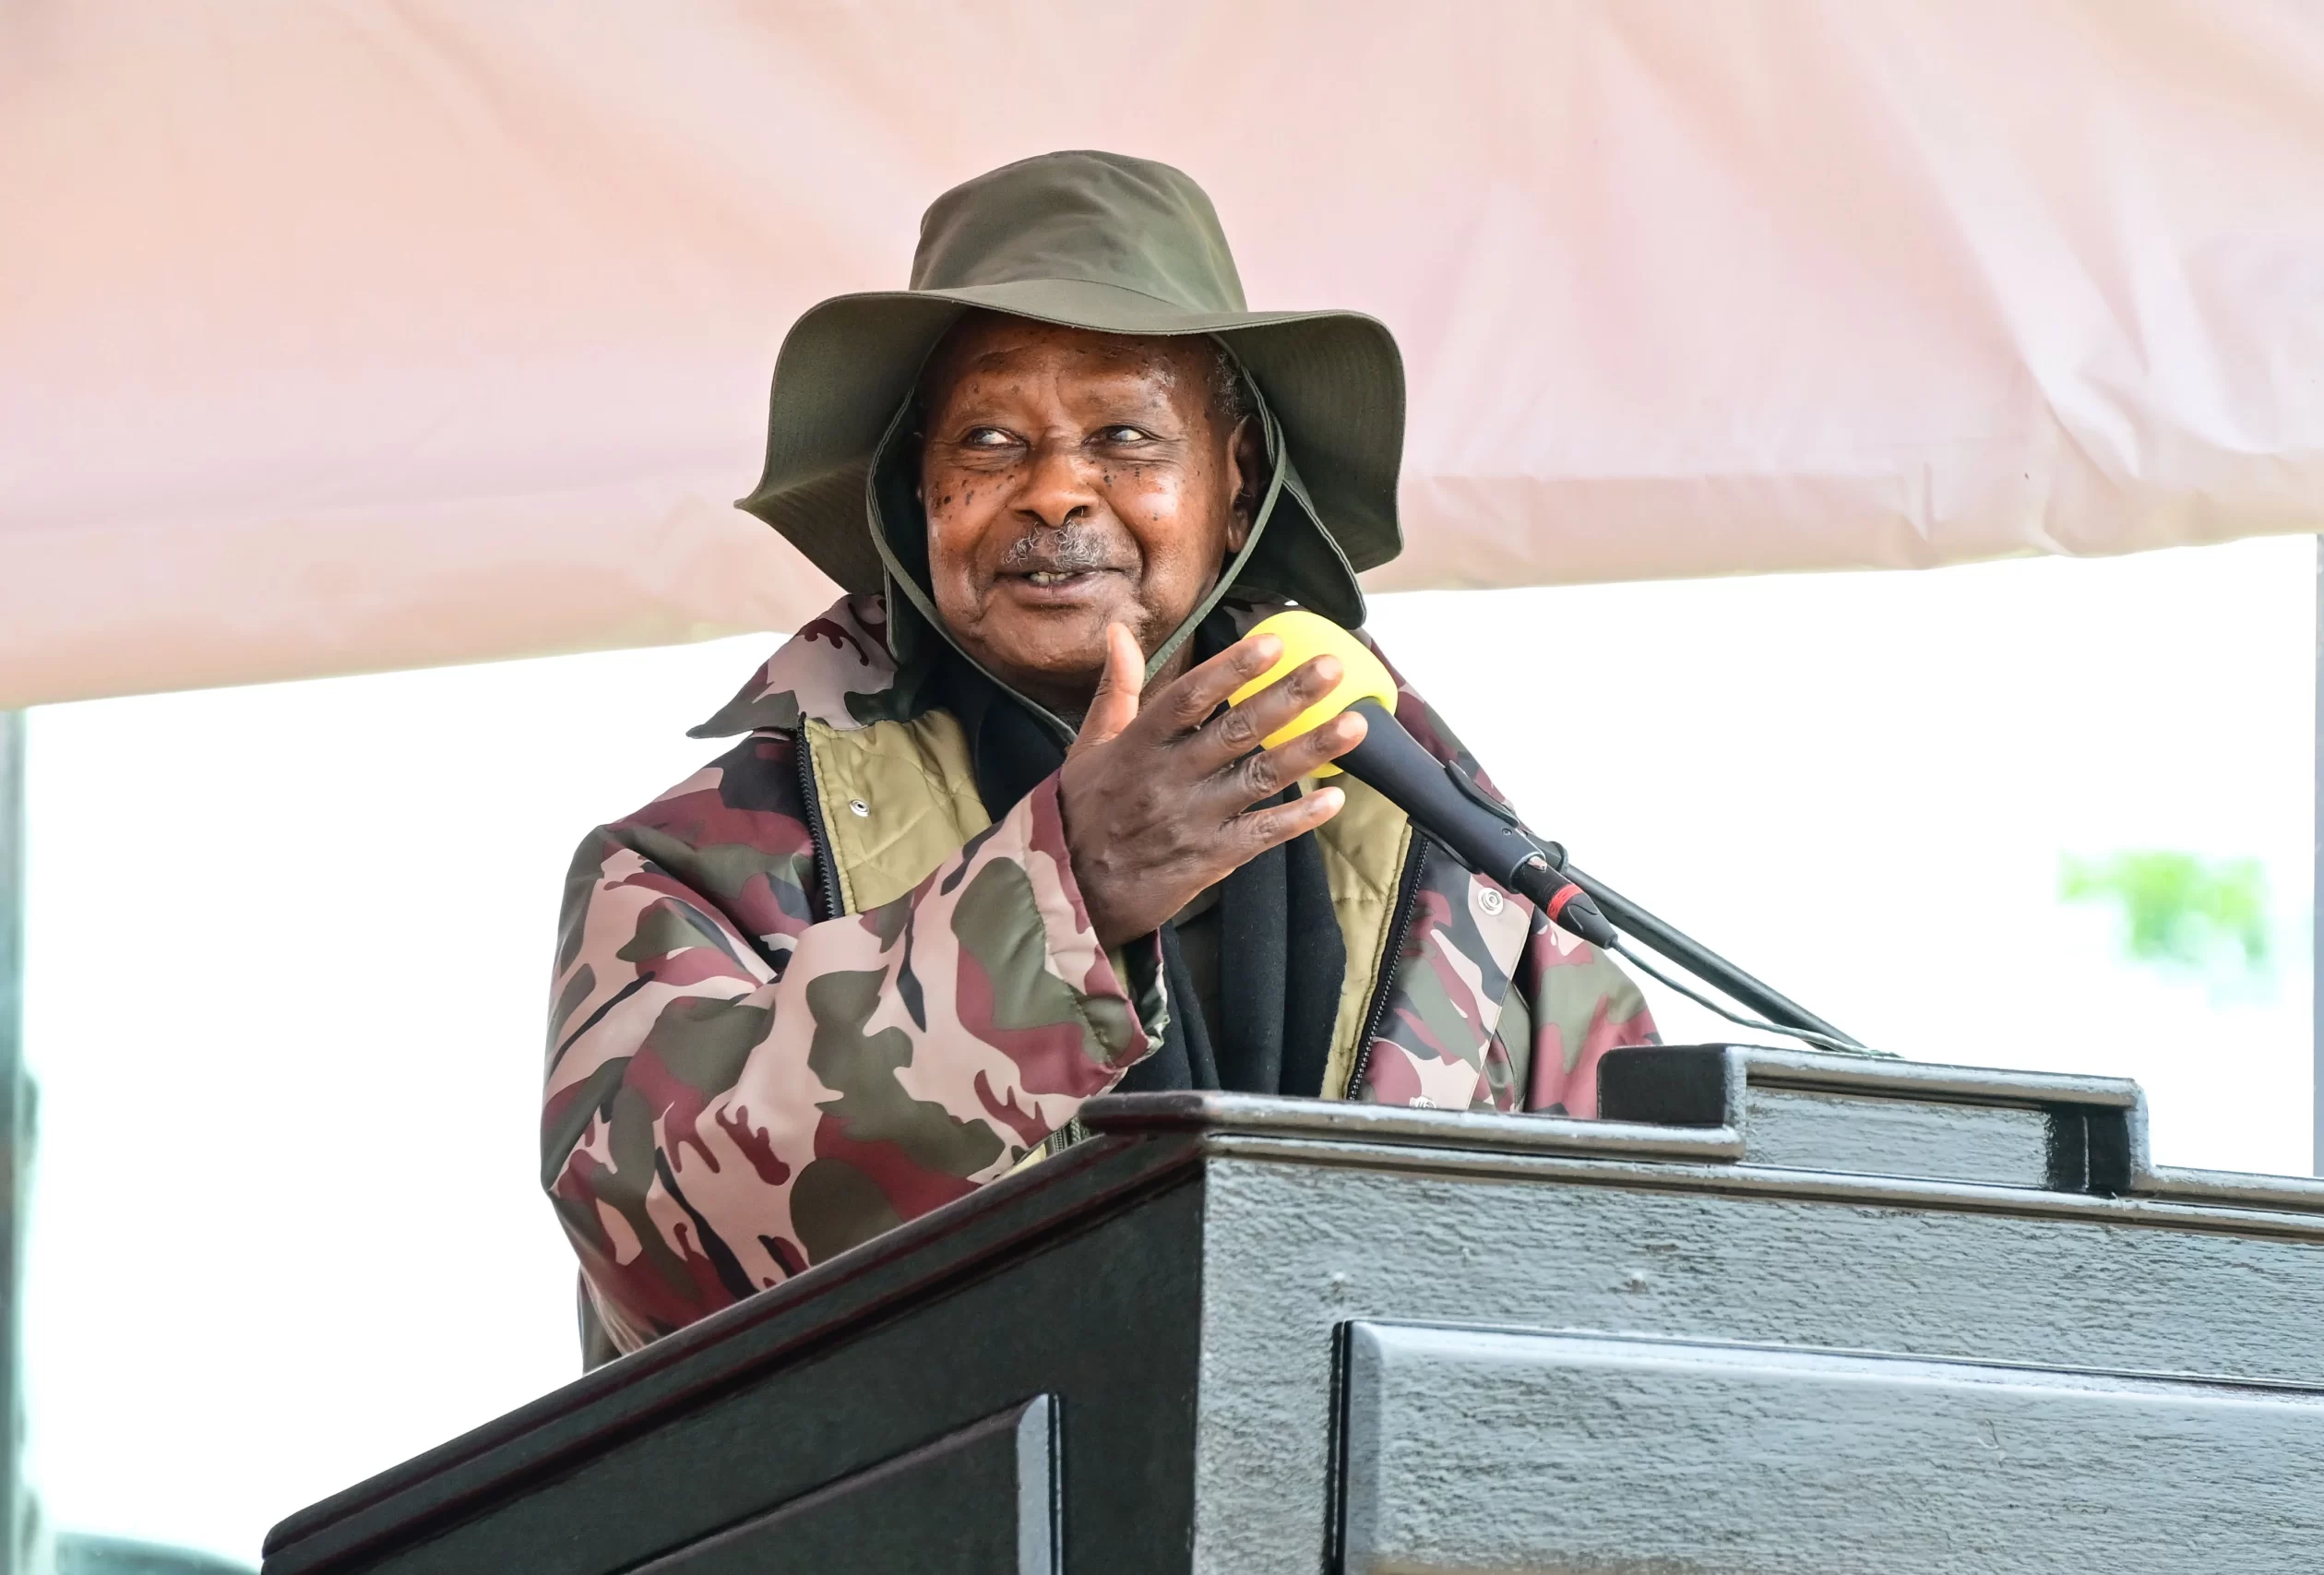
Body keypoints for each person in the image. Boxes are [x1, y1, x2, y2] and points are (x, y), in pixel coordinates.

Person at [543, 151, 1658, 1363]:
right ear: (919, 488)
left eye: (1124, 433)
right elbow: (647, 1234)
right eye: (989, 439)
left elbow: (1652, 1299)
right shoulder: (712, 854)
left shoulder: (1462, 862)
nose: (1056, 492)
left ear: (1236, 483)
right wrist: (1066, 892)